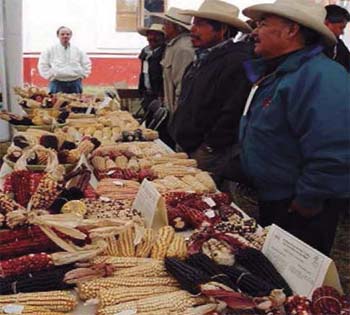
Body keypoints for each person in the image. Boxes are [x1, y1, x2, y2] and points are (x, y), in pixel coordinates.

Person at [239, 0, 350, 255]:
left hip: (298, 208)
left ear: (291, 31)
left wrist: (307, 200)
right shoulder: (281, 73)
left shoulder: (320, 76)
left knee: (294, 281)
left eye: (263, 24)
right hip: (277, 199)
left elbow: (335, 150)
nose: (254, 32)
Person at [172, 0, 253, 184]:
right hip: (189, 144)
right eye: (193, 23)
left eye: (200, 24)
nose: (192, 29)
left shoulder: (236, 62)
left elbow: (232, 111)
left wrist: (209, 147)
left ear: (222, 29)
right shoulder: (202, 58)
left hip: (208, 152)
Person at [152, 7, 195, 137]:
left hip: (178, 115)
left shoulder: (184, 48)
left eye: (167, 24)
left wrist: (177, 118)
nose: (163, 27)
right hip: (171, 111)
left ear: (177, 27)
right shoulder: (173, 45)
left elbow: (181, 87)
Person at [38, 26, 91, 94]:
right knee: (56, 104)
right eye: (62, 34)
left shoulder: (78, 50)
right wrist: (51, 76)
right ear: (58, 35)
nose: (65, 36)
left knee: (76, 104)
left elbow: (86, 63)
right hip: (57, 83)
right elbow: (43, 64)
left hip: (75, 83)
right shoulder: (50, 50)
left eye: (67, 34)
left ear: (71, 36)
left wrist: (82, 75)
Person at [137, 23, 166, 116]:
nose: (152, 38)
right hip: (147, 94)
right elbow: (144, 73)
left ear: (162, 37)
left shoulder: (165, 53)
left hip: (159, 95)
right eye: (150, 35)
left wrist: (161, 95)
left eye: (156, 35)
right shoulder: (145, 52)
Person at [324, 4, 350, 72]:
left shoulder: (338, 45)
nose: (342, 33)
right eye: (341, 28)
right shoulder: (309, 44)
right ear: (326, 23)